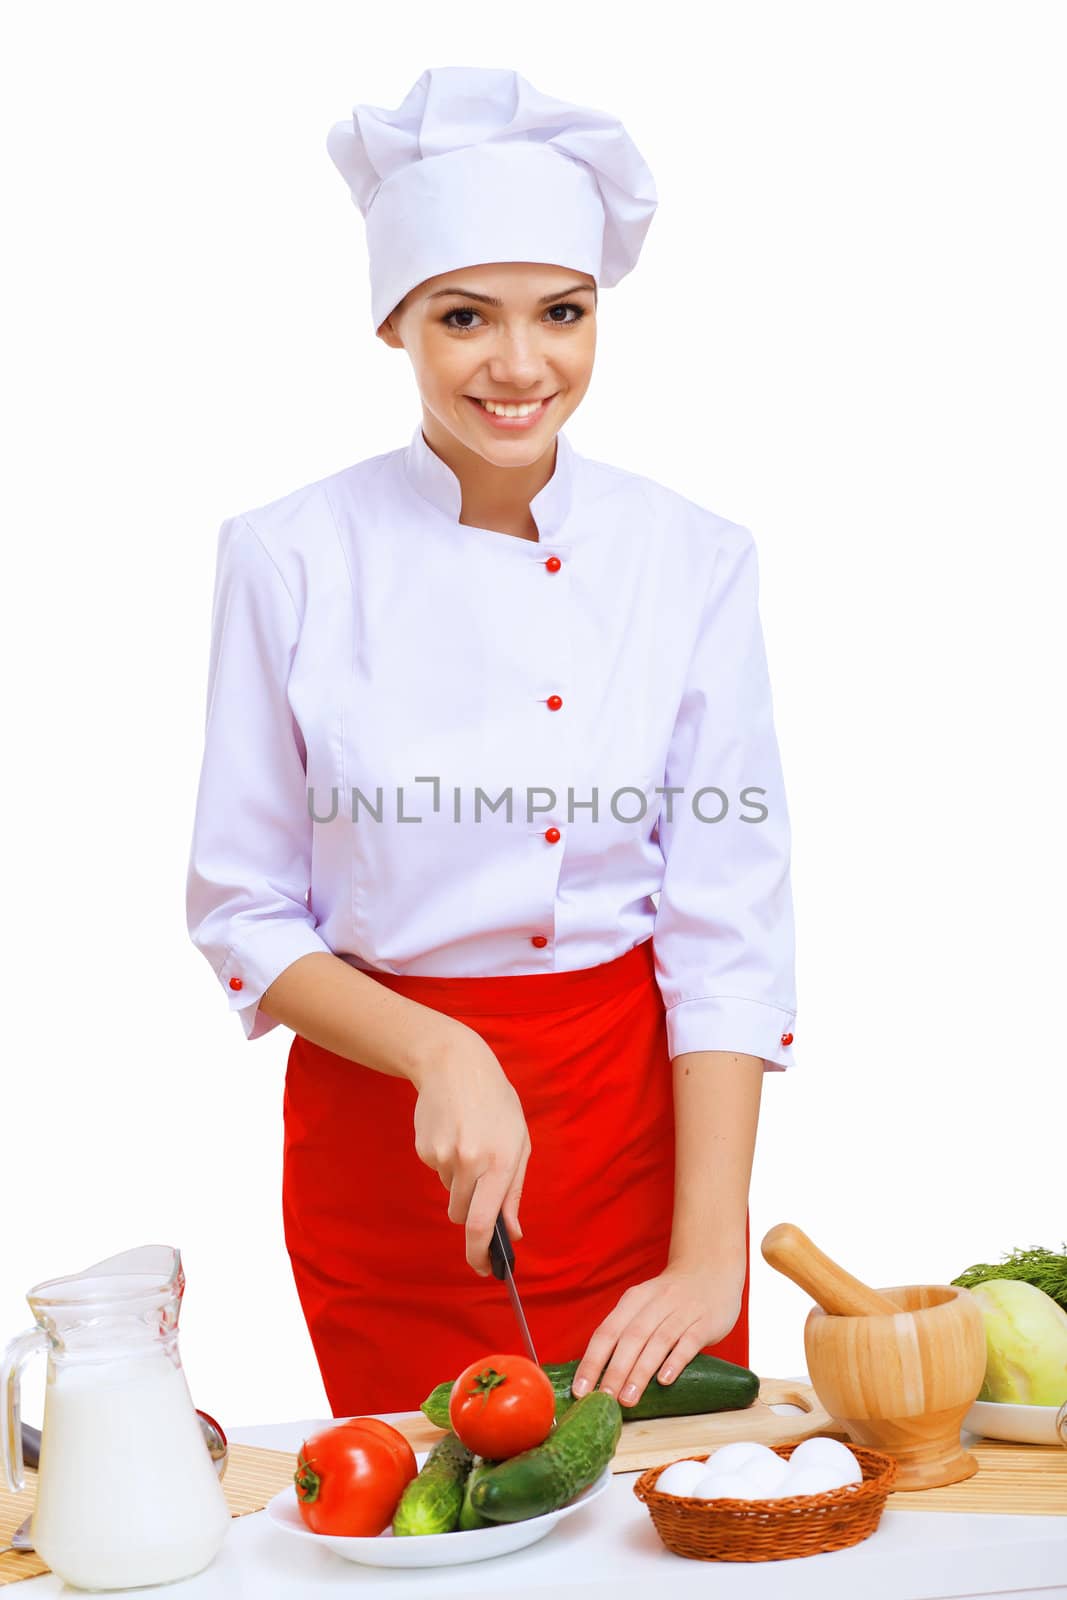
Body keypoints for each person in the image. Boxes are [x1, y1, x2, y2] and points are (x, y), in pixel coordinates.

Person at [186, 65, 799, 1418]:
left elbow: (725, 923)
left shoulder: (689, 560)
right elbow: (241, 905)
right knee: (426, 1524)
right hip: (386, 1141)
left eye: (561, 315)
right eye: (466, 317)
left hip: (642, 1144)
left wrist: (710, 1254)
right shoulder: (288, 558)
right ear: (398, 319)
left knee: (666, 1531)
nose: (519, 366)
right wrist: (441, 1050)